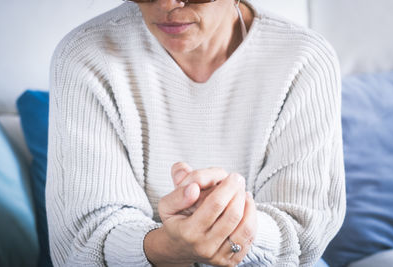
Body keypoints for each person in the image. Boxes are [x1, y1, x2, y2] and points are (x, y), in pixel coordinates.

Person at [45, 0, 346, 266]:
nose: (166, 5)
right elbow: (81, 245)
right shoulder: (85, 56)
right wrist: (168, 247)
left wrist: (224, 226)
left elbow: (303, 232)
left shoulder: (305, 60)